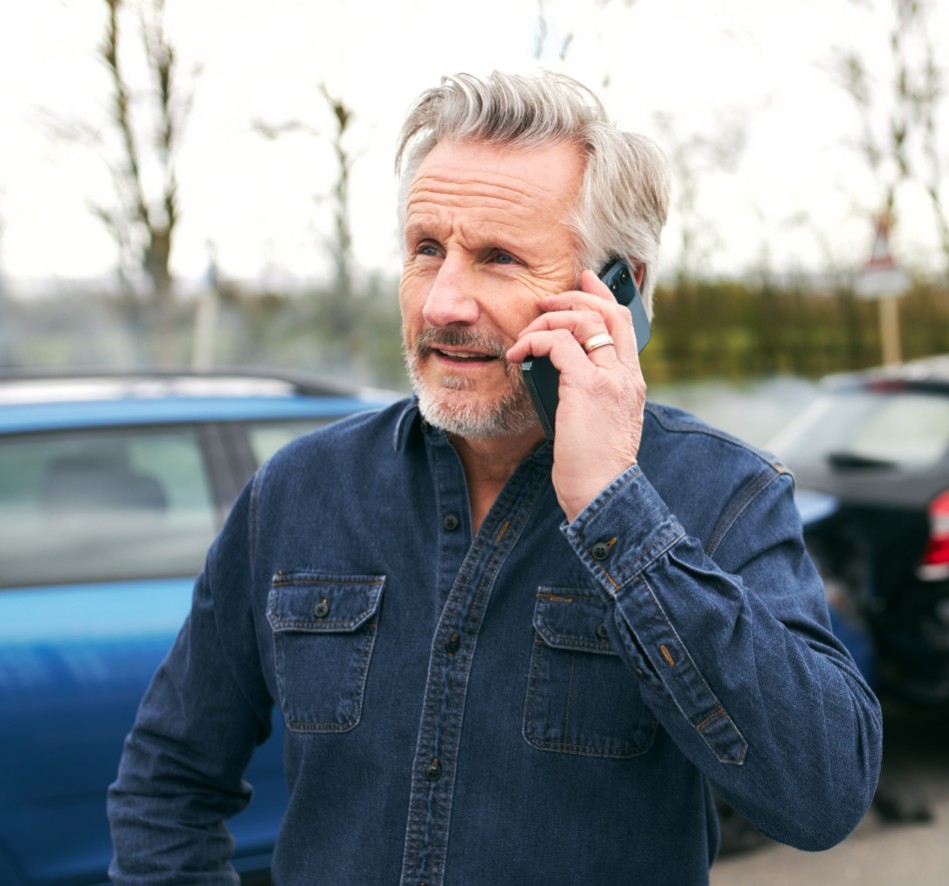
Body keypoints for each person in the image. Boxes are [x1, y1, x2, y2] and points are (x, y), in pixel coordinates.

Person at [107, 71, 882, 884]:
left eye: (499, 258)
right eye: (427, 250)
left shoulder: (723, 495)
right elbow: (168, 781)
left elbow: (823, 795)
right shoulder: (300, 490)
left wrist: (619, 513)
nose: (444, 303)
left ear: (622, 289)